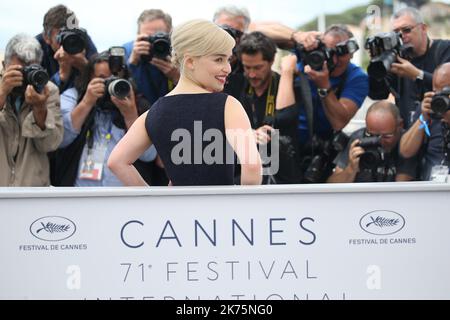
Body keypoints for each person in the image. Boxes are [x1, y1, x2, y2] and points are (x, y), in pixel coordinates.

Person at [108, 19, 262, 186]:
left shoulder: (154, 112)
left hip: (175, 211)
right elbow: (252, 166)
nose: (228, 68)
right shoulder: (228, 106)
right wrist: (240, 209)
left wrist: (153, 202)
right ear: (190, 62)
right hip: (221, 210)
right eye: (219, 59)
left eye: (228, 59)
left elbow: (117, 162)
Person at [277, 24, 369, 183]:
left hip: (319, 152)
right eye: (330, 52)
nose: (334, 60)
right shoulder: (306, 55)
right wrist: (297, 36)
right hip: (286, 142)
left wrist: (324, 86)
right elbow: (258, 28)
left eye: (341, 54)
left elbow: (339, 122)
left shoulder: (357, 77)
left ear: (352, 54)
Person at [51, 51, 157, 186]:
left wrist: (130, 116)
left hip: (123, 198)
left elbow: (149, 155)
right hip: (80, 194)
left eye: (115, 78)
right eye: (103, 78)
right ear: (89, 78)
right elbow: (60, 139)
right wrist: (86, 103)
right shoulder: (74, 97)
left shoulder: (139, 104)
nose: (110, 84)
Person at [368, 7, 450, 128]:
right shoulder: (396, 58)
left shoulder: (445, 50)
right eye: (396, 33)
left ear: (423, 28)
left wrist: (417, 75)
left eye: (406, 30)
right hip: (409, 136)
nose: (402, 36)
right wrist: (376, 63)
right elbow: (377, 94)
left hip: (440, 132)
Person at [0, 34, 63, 186]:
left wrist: (40, 108)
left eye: (31, 67)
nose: (25, 74)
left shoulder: (49, 90)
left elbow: (50, 145)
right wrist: (2, 93)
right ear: (4, 65)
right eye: (20, 67)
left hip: (31, 192)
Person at [327, 101, 416, 183]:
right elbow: (331, 186)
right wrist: (351, 168)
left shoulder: (408, 143)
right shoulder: (359, 139)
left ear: (400, 125)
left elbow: (402, 187)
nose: (379, 141)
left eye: (386, 136)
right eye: (372, 136)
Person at [400, 63, 450, 181]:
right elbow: (405, 151)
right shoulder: (431, 107)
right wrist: (423, 118)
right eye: (436, 92)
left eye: (446, 92)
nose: (441, 98)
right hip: (432, 187)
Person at [36, 4, 98, 92]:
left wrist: (84, 66)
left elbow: (101, 78)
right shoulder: (36, 48)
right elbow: (35, 92)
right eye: (61, 38)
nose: (69, 42)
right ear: (46, 38)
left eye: (72, 35)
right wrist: (61, 75)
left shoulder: (82, 39)